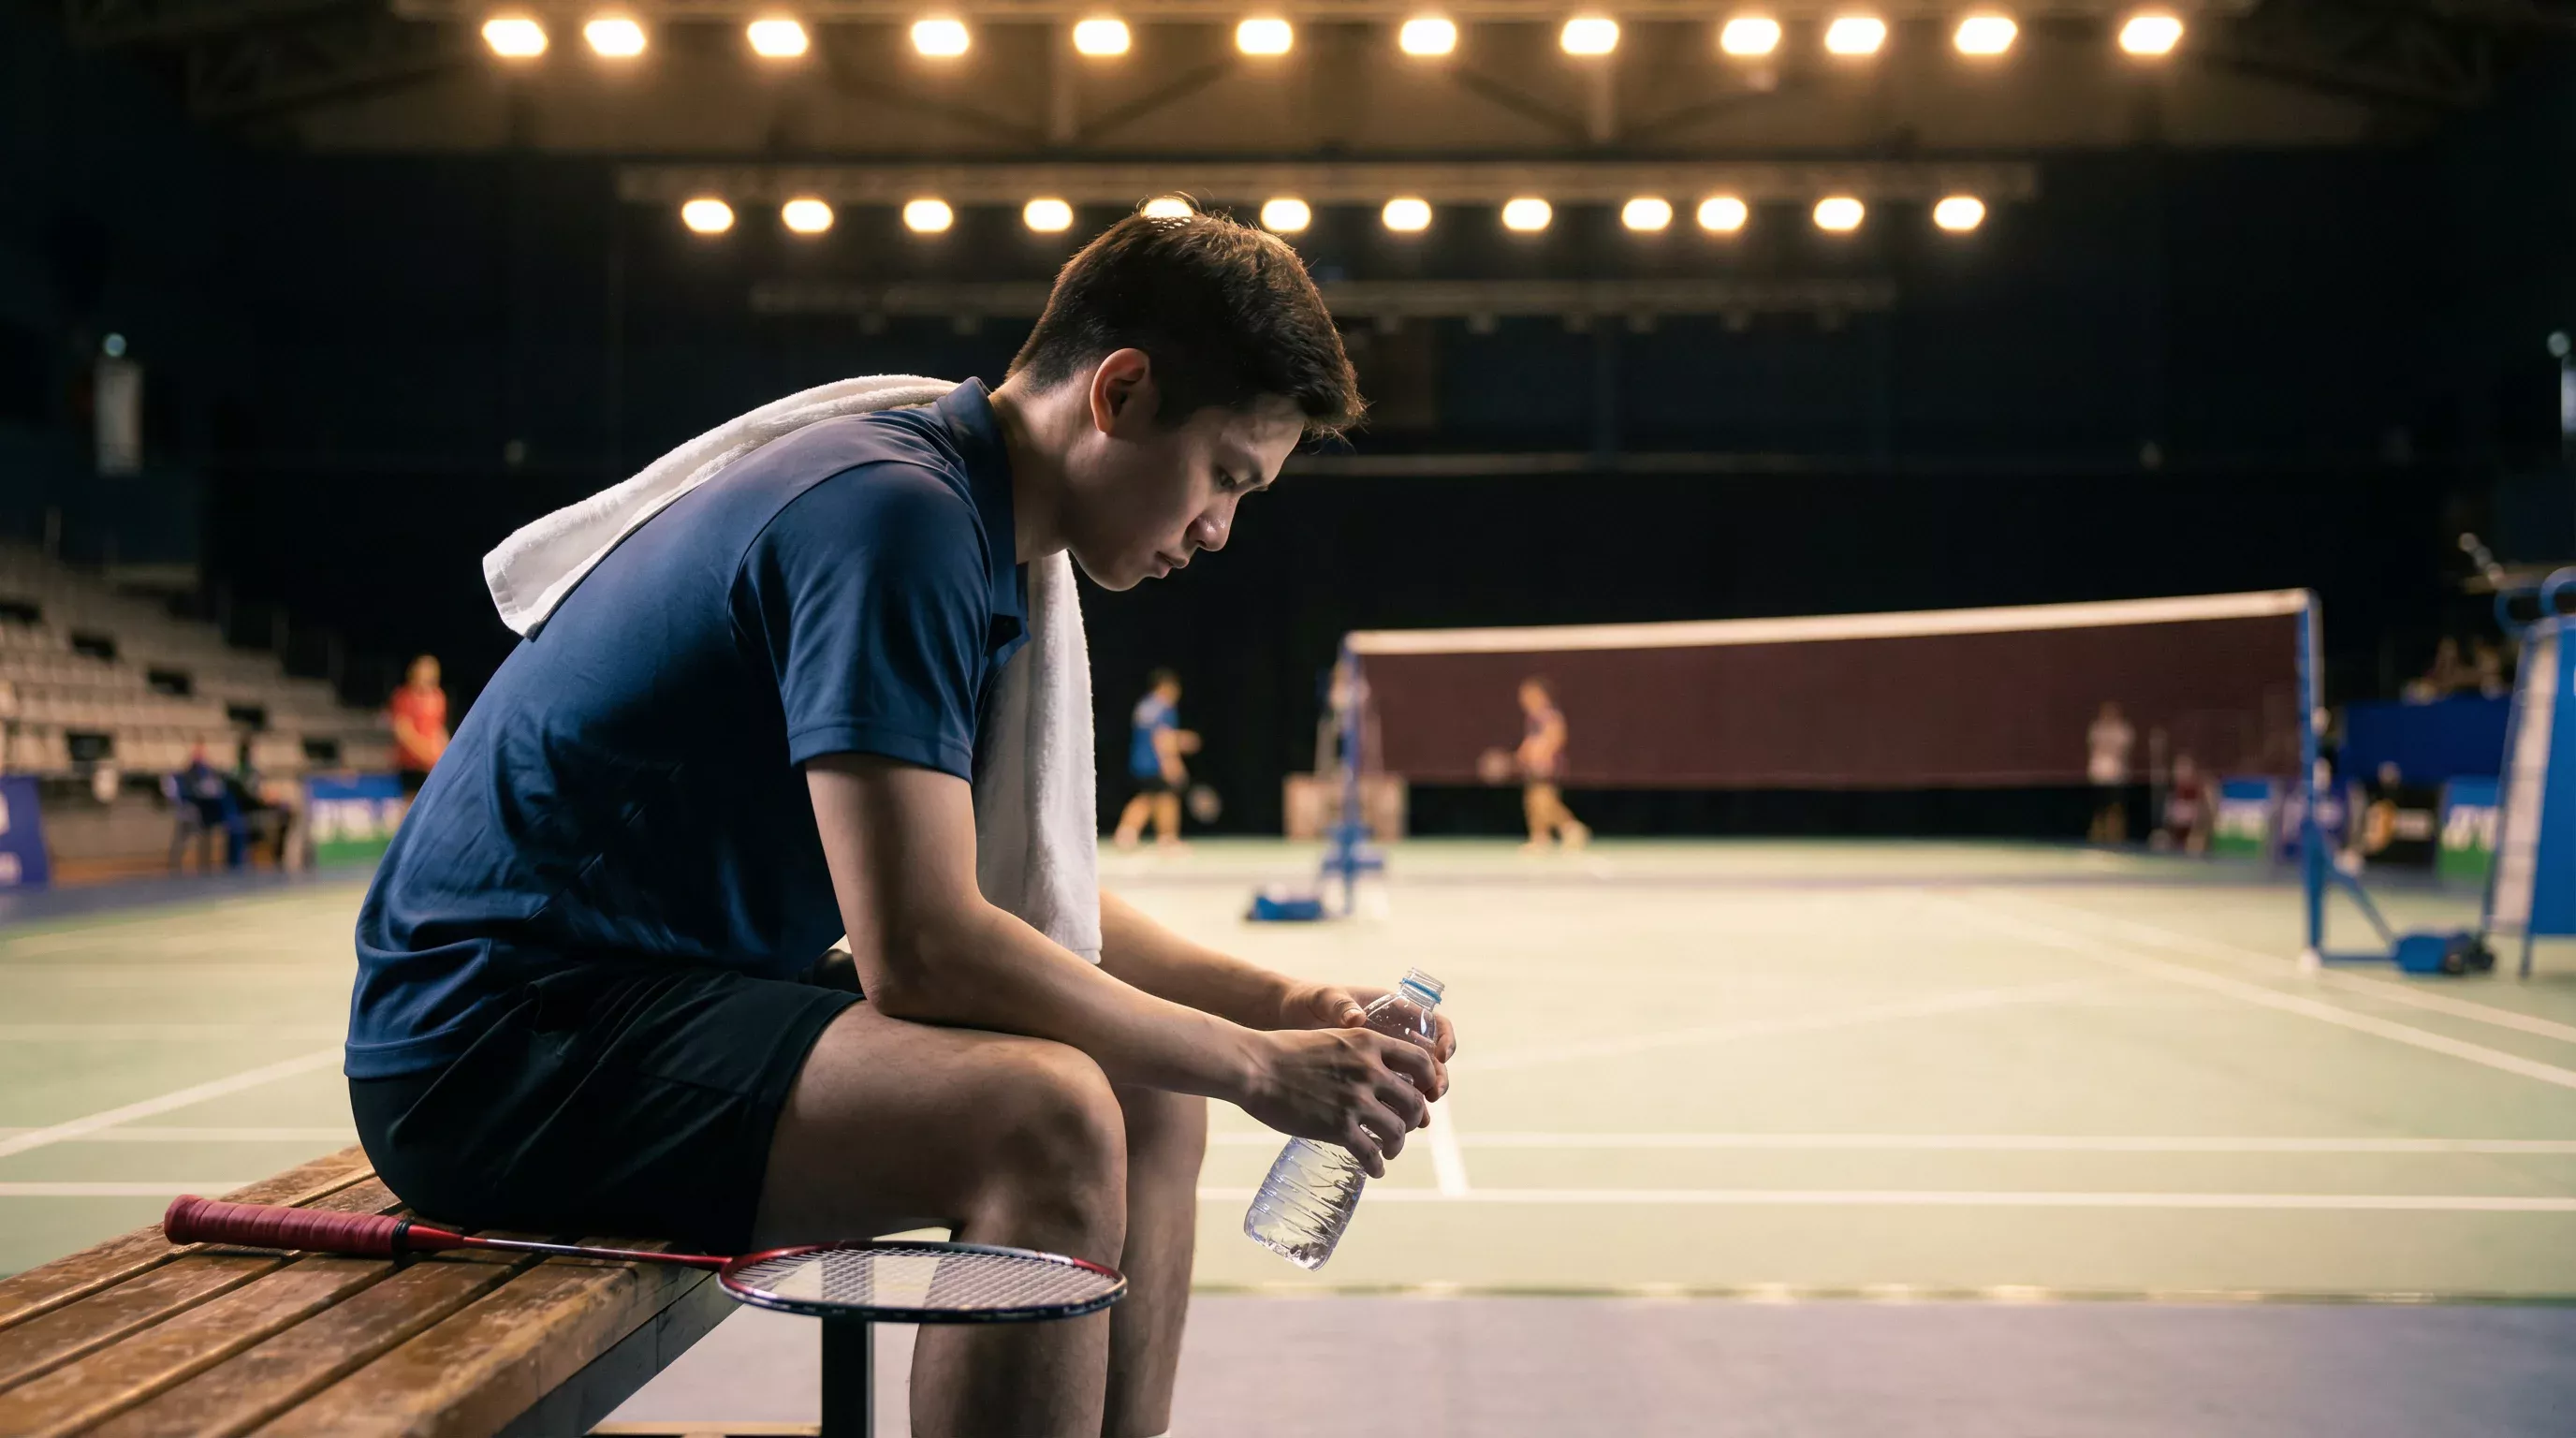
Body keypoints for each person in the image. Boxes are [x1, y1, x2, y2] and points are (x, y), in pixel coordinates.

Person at [344, 213, 1453, 1438]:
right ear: (1122, 394)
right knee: (1049, 1116)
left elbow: (1006, 898)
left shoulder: (966, 521)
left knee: (1149, 1093)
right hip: (494, 1045)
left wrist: (1284, 1007)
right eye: (1227, 478)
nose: (1217, 531)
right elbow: (922, 953)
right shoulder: (896, 514)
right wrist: (1253, 1065)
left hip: (641, 999)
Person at [1112, 668, 1193, 851]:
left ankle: (1126, 834)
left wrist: (1179, 738)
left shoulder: (1144, 706)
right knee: (1167, 798)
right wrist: (1172, 764)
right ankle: (1168, 839)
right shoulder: (1164, 707)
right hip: (1156, 762)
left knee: (1147, 798)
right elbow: (1162, 738)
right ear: (1166, 687)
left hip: (1139, 762)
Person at [1515, 676, 1588, 852]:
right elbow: (1530, 743)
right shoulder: (1532, 719)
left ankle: (1570, 827)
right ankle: (1540, 837)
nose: (1524, 699)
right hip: (1534, 767)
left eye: (1528, 695)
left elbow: (1556, 737)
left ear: (1541, 695)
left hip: (1548, 766)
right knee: (1532, 800)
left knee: (1544, 799)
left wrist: (1543, 757)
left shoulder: (1549, 715)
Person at [387, 654, 449, 794]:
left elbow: (438, 728)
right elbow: (403, 732)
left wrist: (445, 753)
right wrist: (426, 754)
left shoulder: (439, 697)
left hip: (432, 765)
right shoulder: (403, 697)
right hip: (411, 765)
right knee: (412, 805)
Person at [2086, 699, 2135, 843]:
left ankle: (2116, 838)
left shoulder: (2123, 730)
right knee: (2099, 808)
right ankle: (2097, 837)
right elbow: (2094, 748)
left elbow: (2123, 750)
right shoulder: (2096, 729)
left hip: (2116, 774)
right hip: (2099, 774)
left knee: (2116, 807)